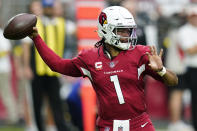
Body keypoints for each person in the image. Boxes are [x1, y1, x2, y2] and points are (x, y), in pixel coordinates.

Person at [29, 6, 178, 131]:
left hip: (139, 124)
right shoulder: (89, 58)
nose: (127, 35)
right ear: (106, 30)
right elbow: (58, 65)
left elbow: (173, 81)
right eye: (121, 31)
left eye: (128, 31)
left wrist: (161, 70)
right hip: (108, 125)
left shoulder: (140, 53)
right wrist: (37, 38)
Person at [22, 0, 69, 130]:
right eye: (46, 7)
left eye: (50, 7)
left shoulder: (61, 23)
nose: (48, 10)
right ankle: (39, 127)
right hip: (37, 69)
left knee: (56, 102)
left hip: (54, 70)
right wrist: (26, 67)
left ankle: (60, 127)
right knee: (37, 102)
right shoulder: (35, 24)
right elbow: (26, 46)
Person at [176, 4, 197, 131]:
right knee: (195, 98)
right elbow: (189, 50)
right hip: (193, 68)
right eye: (193, 16)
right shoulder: (184, 30)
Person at [0, 27, 19, 124]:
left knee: (6, 93)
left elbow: (8, 50)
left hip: (3, 69)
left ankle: (13, 117)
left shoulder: (1, 34)